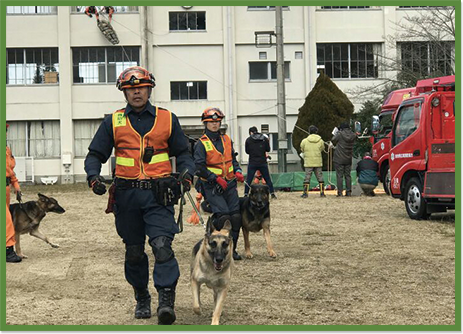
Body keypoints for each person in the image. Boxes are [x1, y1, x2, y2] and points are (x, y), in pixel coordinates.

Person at [84, 66, 195, 325]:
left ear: (149, 89)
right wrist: (93, 177)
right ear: (124, 92)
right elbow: (94, 156)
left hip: (160, 195)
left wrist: (186, 176)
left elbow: (185, 153)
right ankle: (141, 296)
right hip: (126, 196)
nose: (136, 92)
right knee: (134, 252)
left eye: (141, 87)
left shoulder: (168, 119)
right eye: (131, 88)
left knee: (162, 247)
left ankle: (166, 300)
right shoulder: (113, 121)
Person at [193, 107, 245, 261]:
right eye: (211, 122)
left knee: (236, 218)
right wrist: (215, 178)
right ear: (205, 123)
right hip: (212, 186)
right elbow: (199, 168)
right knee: (224, 217)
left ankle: (231, 250)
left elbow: (232, 160)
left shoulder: (226, 139)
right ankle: (214, 232)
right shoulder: (201, 144)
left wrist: (238, 170)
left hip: (229, 184)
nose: (215, 124)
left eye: (217, 121)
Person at [244, 127, 276, 199]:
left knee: (249, 179)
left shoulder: (248, 140)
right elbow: (268, 149)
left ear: (250, 132)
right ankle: (272, 193)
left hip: (252, 162)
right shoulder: (264, 139)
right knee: (267, 179)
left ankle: (246, 193)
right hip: (262, 162)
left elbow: (247, 151)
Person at [6, 124, 22, 263]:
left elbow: (10, 169)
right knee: (7, 220)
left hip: (6, 188)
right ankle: (8, 250)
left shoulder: (6, 150)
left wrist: (16, 186)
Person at [300, 125, 326, 198]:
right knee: (320, 177)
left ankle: (305, 193)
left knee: (307, 177)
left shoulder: (304, 141)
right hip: (318, 161)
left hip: (308, 162)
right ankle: (322, 193)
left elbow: (302, 149)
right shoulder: (320, 141)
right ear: (316, 132)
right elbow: (322, 148)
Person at [331, 122, 357, 197]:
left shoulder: (340, 134)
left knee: (339, 176)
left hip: (339, 158)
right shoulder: (353, 135)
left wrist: (336, 132)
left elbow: (333, 140)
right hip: (348, 158)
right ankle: (348, 192)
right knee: (348, 176)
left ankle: (340, 192)